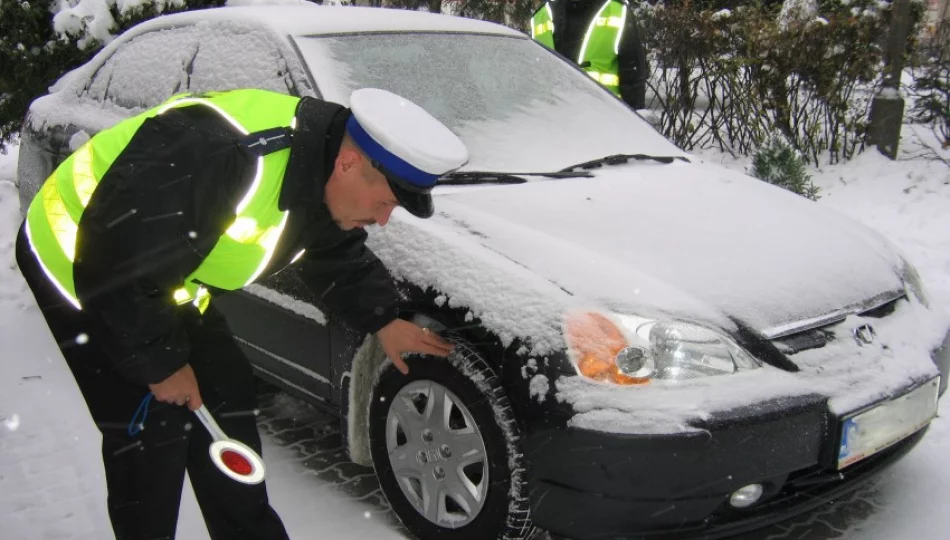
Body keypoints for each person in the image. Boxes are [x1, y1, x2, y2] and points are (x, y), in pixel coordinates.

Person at [15, 87, 467, 539]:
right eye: (385, 203)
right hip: (80, 261)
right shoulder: (223, 154)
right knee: (153, 429)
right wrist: (160, 364)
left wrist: (383, 319)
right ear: (349, 165)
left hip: (161, 277)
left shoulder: (321, 165)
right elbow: (114, 259)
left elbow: (329, 247)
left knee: (225, 397)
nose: (384, 219)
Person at [531, 0, 649, 109]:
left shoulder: (542, 15)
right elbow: (633, 79)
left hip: (560, 119)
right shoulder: (616, 11)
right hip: (600, 117)